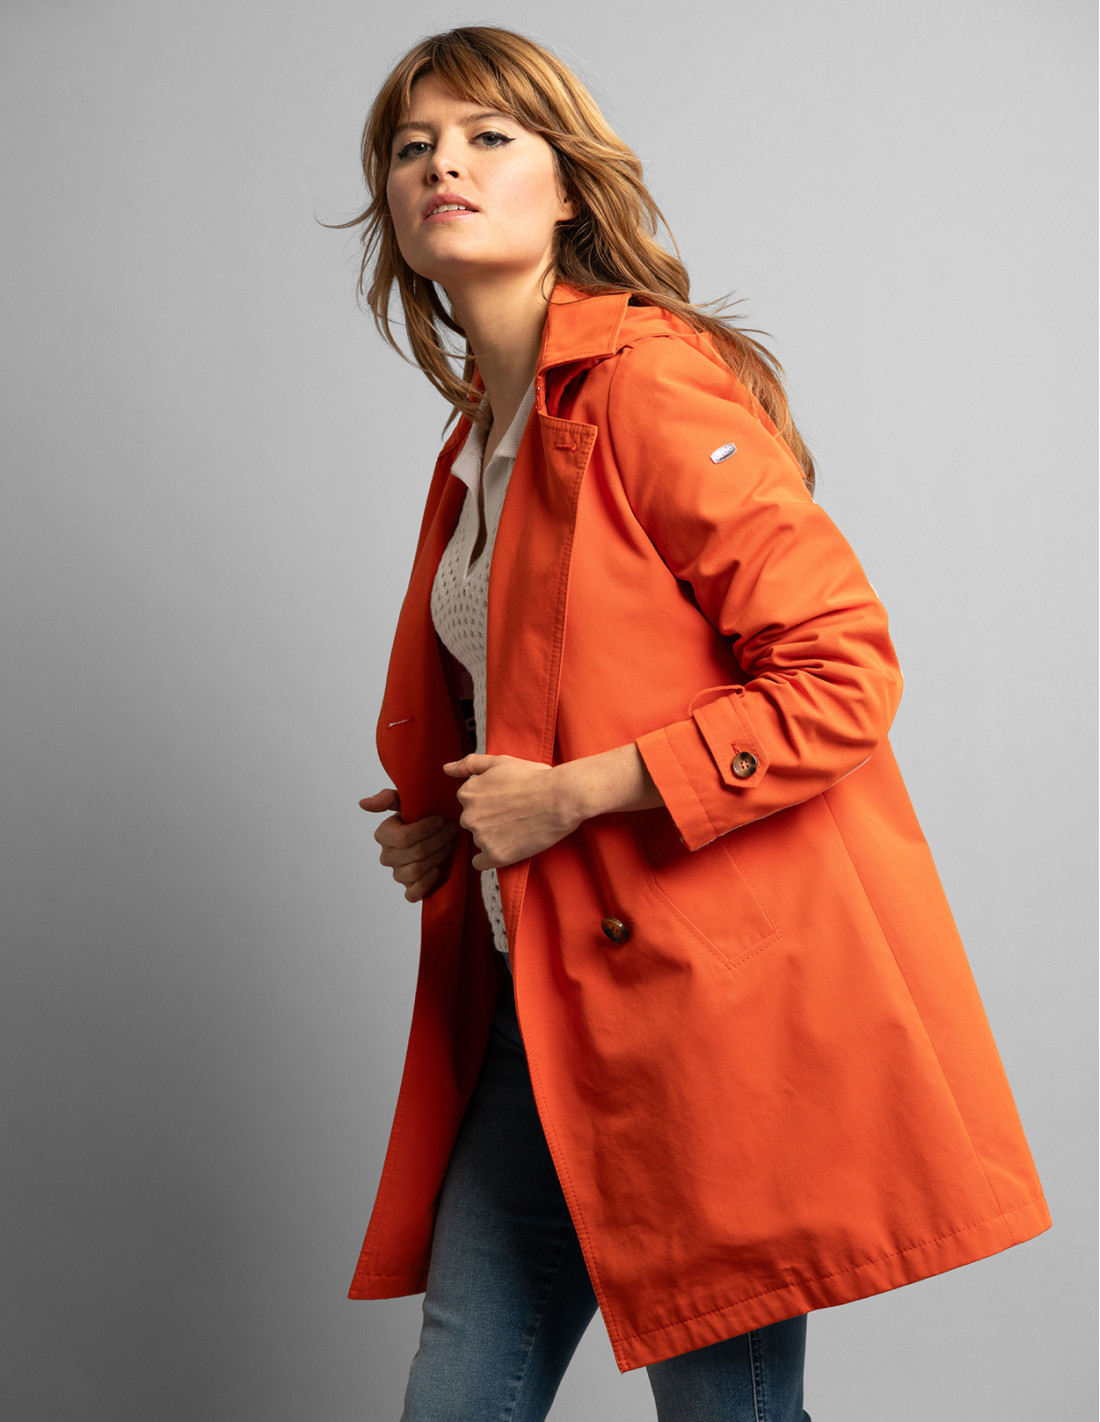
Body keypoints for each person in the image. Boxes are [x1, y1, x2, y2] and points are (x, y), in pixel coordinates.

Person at [340, 25, 1050, 1422]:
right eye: (414, 147)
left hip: (696, 1031)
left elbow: (843, 670)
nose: (443, 166)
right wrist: (454, 821)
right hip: (538, 1010)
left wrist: (571, 794)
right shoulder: (480, 440)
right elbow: (547, 686)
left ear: (567, 186)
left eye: (489, 136)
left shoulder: (644, 382)